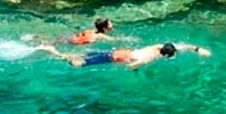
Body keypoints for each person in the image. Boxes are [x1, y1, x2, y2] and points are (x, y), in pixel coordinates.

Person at [68, 41, 210, 68]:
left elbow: (182, 46)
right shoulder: (150, 58)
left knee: (88, 53)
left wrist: (198, 49)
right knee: (80, 63)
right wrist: (135, 69)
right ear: (166, 56)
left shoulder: (159, 46)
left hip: (121, 51)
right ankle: (62, 57)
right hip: (115, 58)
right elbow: (130, 66)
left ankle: (69, 54)